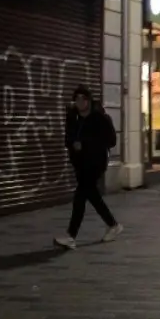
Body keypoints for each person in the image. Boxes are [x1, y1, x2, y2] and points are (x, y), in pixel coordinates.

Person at [54, 85, 121, 249]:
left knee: (80, 196)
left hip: (96, 163)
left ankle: (71, 236)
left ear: (89, 101)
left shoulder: (100, 118)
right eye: (76, 99)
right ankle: (113, 225)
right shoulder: (72, 117)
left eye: (82, 99)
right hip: (80, 163)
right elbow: (67, 139)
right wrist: (73, 145)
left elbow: (111, 141)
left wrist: (87, 143)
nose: (79, 102)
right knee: (92, 195)